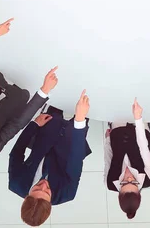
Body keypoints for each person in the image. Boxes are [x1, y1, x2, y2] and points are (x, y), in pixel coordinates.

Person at [10, 90, 92, 226]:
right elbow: (75, 159)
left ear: (26, 197)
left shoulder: (16, 183)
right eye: (47, 192)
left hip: (44, 138)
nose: (43, 185)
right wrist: (79, 121)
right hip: (70, 147)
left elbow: (16, 153)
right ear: (50, 203)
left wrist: (34, 125)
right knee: (83, 107)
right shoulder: (67, 193)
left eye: (36, 189)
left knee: (56, 101)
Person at [105, 98, 150, 219]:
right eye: (133, 182)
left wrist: (107, 140)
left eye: (123, 183)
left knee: (116, 100)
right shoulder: (149, 178)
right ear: (139, 191)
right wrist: (138, 119)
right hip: (140, 130)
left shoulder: (110, 183)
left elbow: (108, 159)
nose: (128, 177)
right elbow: (143, 147)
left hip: (118, 132)